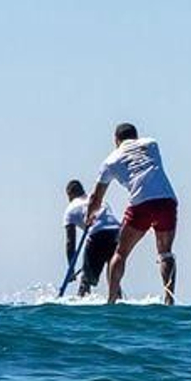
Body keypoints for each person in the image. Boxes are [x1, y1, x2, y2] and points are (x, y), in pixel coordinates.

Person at [84, 123, 179, 305]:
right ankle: (169, 299)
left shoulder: (110, 161)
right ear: (136, 136)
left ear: (116, 140)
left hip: (141, 204)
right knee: (165, 253)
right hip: (166, 200)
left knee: (120, 253)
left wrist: (90, 216)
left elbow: (96, 197)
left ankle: (112, 299)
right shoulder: (151, 143)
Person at [62, 179, 120, 298]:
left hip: (97, 234)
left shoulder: (70, 209)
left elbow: (70, 242)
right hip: (117, 232)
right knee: (113, 273)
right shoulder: (99, 200)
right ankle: (117, 300)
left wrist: (71, 269)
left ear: (69, 195)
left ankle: (81, 302)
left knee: (86, 280)